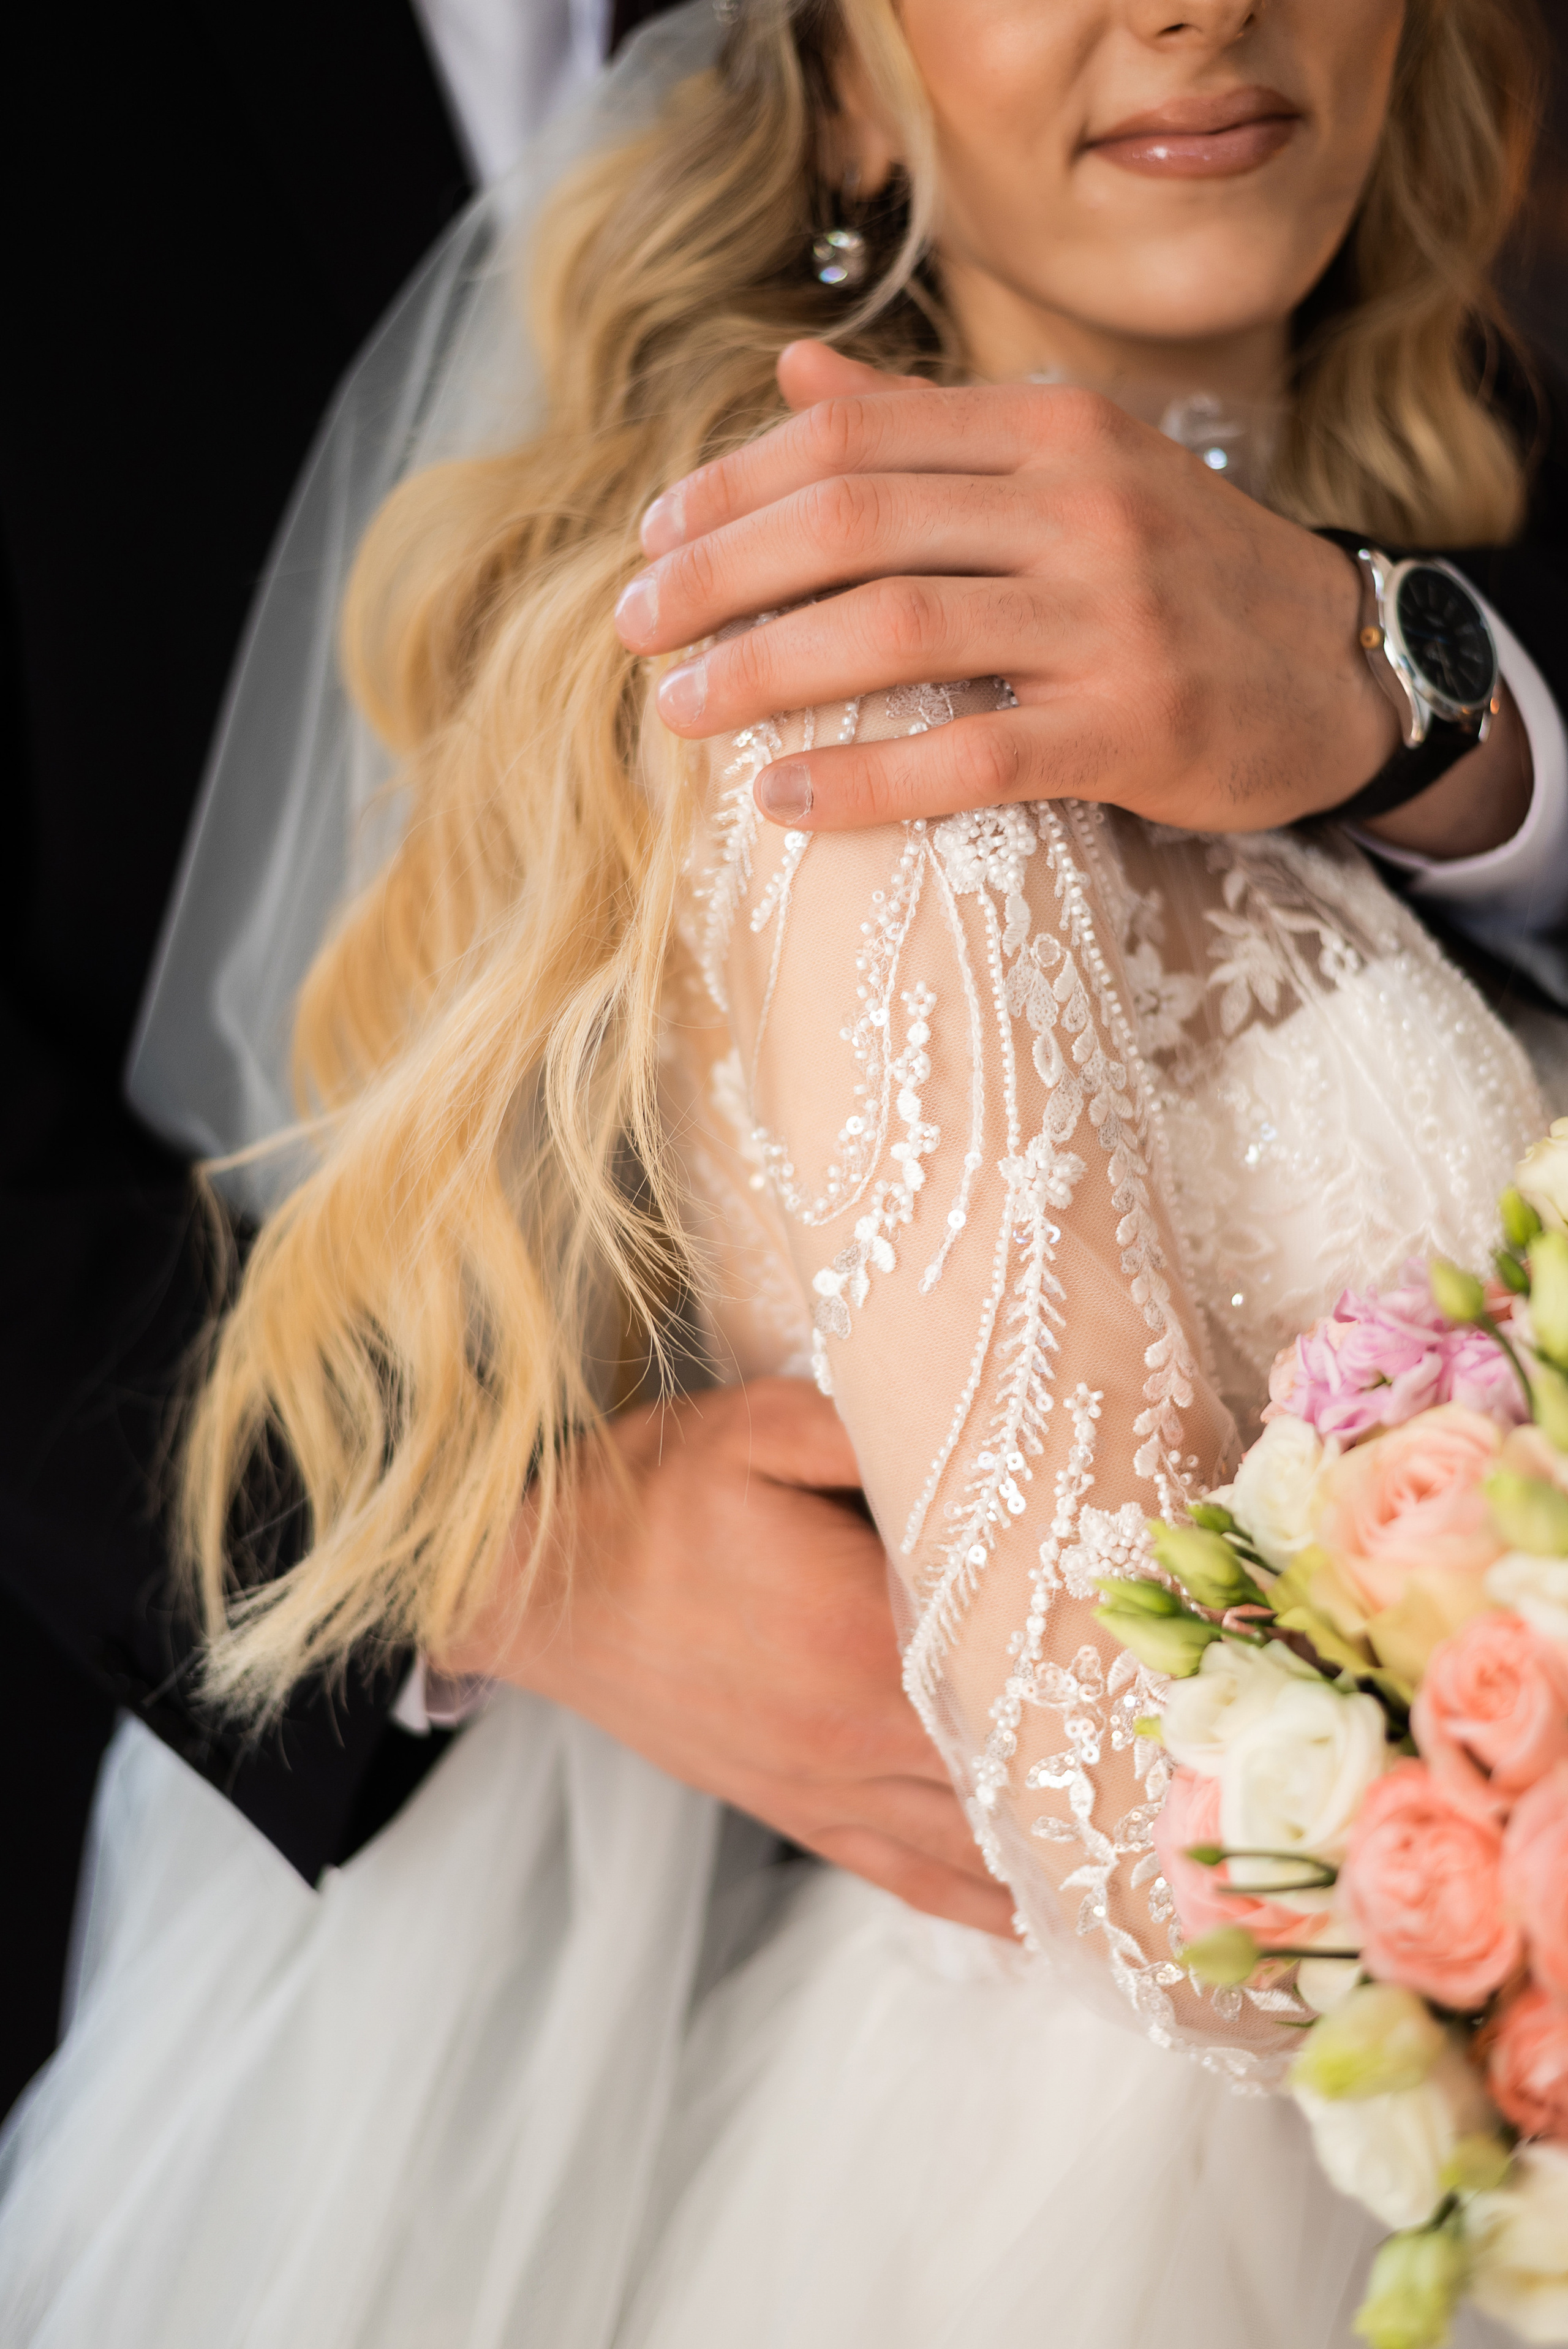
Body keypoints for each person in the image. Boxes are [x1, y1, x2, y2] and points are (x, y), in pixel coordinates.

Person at [0, 0, 1561, 2342]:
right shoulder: (862, 696)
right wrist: (503, 1539)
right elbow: (1138, 1838)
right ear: (830, 83)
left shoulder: (1459, 502)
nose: (1202, 8)